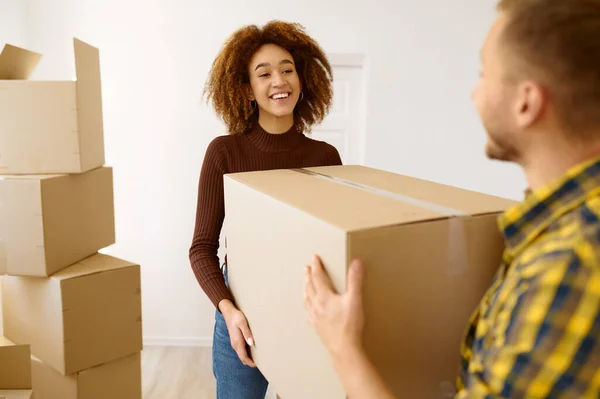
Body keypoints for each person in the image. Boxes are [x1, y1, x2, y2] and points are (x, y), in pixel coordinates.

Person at [304, 0, 600, 397]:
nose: (475, 93)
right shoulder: (556, 230)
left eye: (484, 74)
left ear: (525, 102)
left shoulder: (569, 264)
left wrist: (341, 346)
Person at [189, 20, 343, 399]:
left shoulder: (325, 157)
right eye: (265, 73)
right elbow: (201, 248)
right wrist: (229, 311)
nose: (280, 81)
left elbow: (334, 242)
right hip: (242, 314)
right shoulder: (224, 152)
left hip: (304, 310)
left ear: (303, 80)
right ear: (247, 89)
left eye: (288, 70)